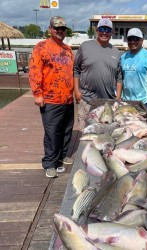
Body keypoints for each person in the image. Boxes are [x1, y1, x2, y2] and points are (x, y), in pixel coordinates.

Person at [29, 16, 75, 178]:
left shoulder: (68, 49)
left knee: (66, 130)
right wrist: (37, 94)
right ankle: (50, 163)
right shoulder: (41, 47)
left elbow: (72, 73)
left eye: (63, 29)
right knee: (52, 133)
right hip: (50, 100)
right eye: (57, 28)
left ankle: (62, 155)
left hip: (68, 100)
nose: (60, 31)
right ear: (50, 29)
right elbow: (34, 71)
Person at [73, 18, 122, 129]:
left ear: (112, 33)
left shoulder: (116, 52)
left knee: (104, 132)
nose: (104, 32)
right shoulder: (85, 46)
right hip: (86, 100)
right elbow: (76, 69)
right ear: (97, 30)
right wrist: (76, 90)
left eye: (107, 30)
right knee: (85, 133)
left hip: (107, 102)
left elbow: (119, 77)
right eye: (102, 29)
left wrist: (118, 96)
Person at [116, 28, 147, 117]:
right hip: (126, 102)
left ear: (142, 40)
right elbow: (120, 78)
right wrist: (120, 97)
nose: (133, 41)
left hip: (144, 103)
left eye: (136, 39)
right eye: (130, 39)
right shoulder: (123, 57)